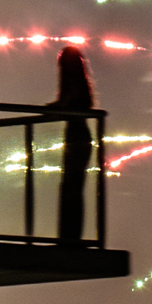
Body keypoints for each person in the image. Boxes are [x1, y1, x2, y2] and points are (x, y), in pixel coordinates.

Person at [48, 43, 95, 249]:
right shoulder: (82, 84)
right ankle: (71, 236)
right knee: (74, 187)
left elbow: (63, 103)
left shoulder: (72, 83)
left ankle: (69, 237)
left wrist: (48, 109)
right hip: (81, 137)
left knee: (70, 187)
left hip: (76, 137)